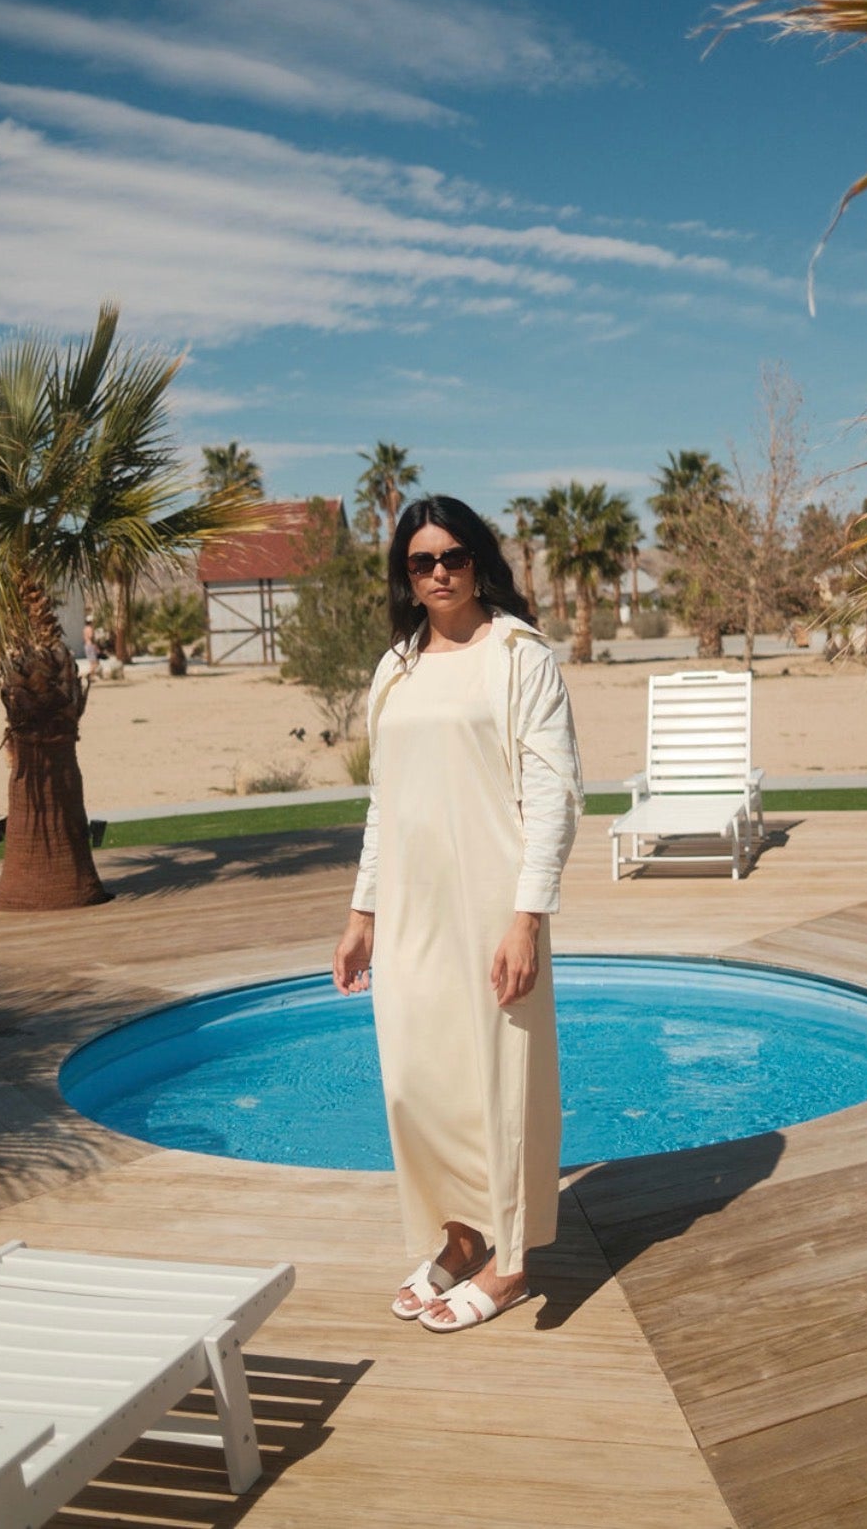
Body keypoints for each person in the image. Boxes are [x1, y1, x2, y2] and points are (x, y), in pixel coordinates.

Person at [333, 495, 582, 1332]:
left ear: (479, 561)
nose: (439, 572)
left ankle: (511, 1262)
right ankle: (462, 1234)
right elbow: (385, 801)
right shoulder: (395, 668)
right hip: (411, 906)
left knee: (502, 1081)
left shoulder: (519, 656)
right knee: (418, 1081)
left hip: (492, 901)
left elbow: (554, 795)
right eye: (421, 561)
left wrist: (527, 918)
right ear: (404, 575)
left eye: (453, 556)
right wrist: (363, 912)